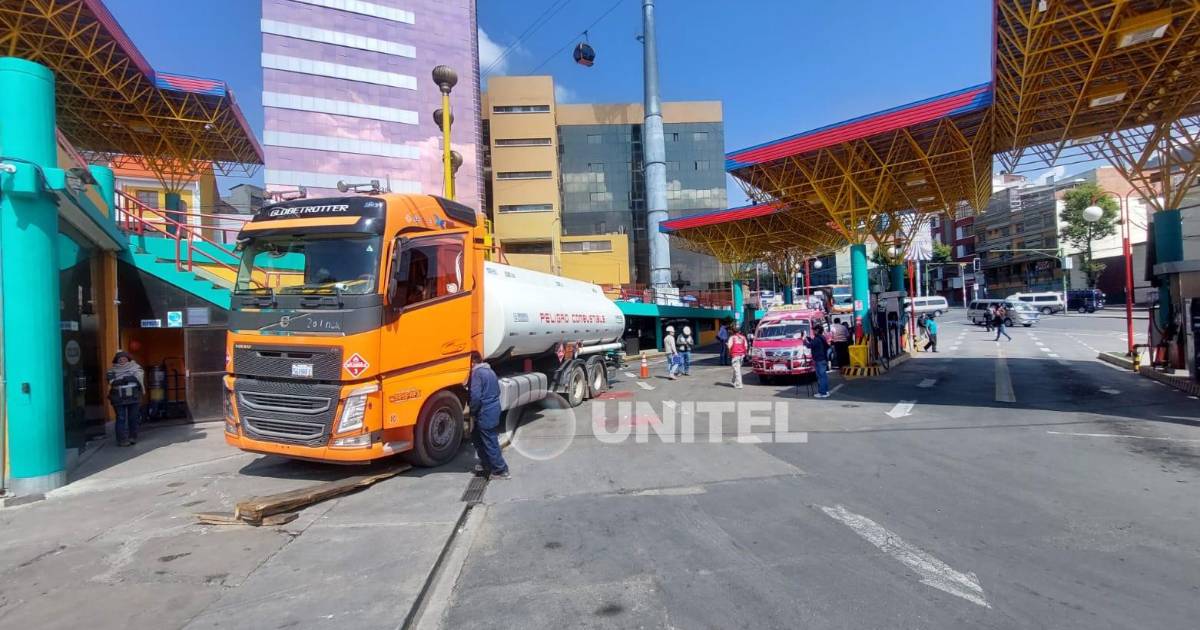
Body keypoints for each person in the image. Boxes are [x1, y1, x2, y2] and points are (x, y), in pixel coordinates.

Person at [469, 355, 509, 479]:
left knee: (490, 441)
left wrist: (472, 411)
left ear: (472, 363)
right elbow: (497, 391)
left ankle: (500, 470)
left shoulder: (477, 373)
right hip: (493, 409)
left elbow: (475, 396)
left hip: (485, 411)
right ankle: (486, 463)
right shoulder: (490, 371)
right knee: (477, 437)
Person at [106, 351, 144, 446]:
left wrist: (130, 379)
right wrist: (125, 379)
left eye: (124, 359)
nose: (122, 360)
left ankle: (133, 437)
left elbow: (139, 379)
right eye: (120, 359)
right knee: (121, 418)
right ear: (116, 360)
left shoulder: (136, 368)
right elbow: (112, 382)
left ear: (128, 359)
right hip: (118, 398)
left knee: (133, 418)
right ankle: (121, 440)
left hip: (134, 397)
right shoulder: (111, 371)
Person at [806, 325, 832, 398]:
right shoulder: (821, 337)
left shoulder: (817, 338)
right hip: (823, 359)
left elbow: (809, 345)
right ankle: (825, 391)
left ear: (817, 330)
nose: (813, 331)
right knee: (823, 376)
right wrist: (809, 339)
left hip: (819, 359)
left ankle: (822, 393)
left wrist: (804, 340)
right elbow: (814, 344)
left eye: (814, 330)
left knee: (821, 376)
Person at [727, 324, 748, 389]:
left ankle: (739, 384)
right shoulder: (743, 337)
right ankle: (733, 381)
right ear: (739, 331)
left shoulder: (732, 338)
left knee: (737, 370)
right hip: (742, 355)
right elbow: (746, 346)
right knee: (737, 369)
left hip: (735, 355)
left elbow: (729, 346)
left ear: (733, 331)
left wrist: (729, 353)